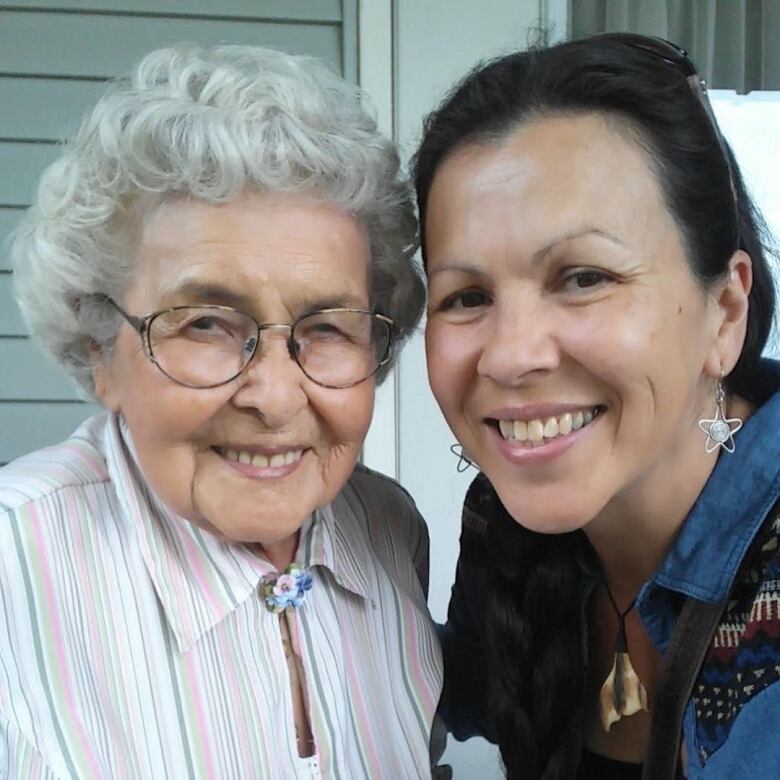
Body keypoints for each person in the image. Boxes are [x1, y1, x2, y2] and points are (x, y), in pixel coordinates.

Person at [2, 44, 444, 779]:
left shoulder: (389, 532)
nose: (274, 398)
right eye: (205, 323)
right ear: (100, 349)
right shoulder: (16, 566)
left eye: (329, 326)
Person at [413, 33, 779, 779]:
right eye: (468, 296)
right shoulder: (505, 521)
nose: (511, 355)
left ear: (726, 310)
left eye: (583, 277)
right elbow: (463, 686)